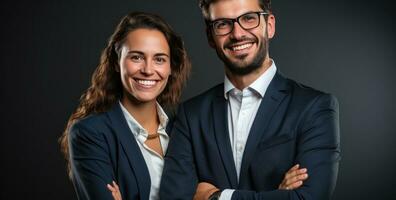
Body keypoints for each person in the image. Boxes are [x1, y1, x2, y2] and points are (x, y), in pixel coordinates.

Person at [160, 0, 341, 199]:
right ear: (210, 37)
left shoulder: (315, 107)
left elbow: (308, 197)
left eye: (248, 19)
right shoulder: (190, 115)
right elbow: (174, 197)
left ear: (269, 25)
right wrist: (275, 195)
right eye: (222, 24)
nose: (237, 34)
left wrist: (216, 197)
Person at [59, 12, 190, 200]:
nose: (148, 70)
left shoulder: (184, 128)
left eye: (159, 59)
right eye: (136, 57)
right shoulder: (89, 133)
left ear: (171, 68)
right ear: (116, 62)